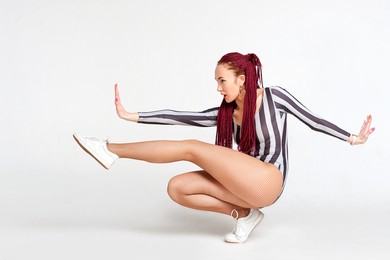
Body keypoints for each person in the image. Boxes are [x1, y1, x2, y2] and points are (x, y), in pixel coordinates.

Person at [73, 52, 374, 243]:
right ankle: (244, 214)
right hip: (244, 187)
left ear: (242, 79)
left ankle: (111, 149)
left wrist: (352, 137)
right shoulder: (226, 112)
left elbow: (312, 120)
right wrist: (132, 115)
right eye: (216, 82)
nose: (218, 88)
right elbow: (181, 117)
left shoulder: (274, 97)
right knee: (177, 187)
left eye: (222, 81)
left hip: (269, 180)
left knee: (191, 148)